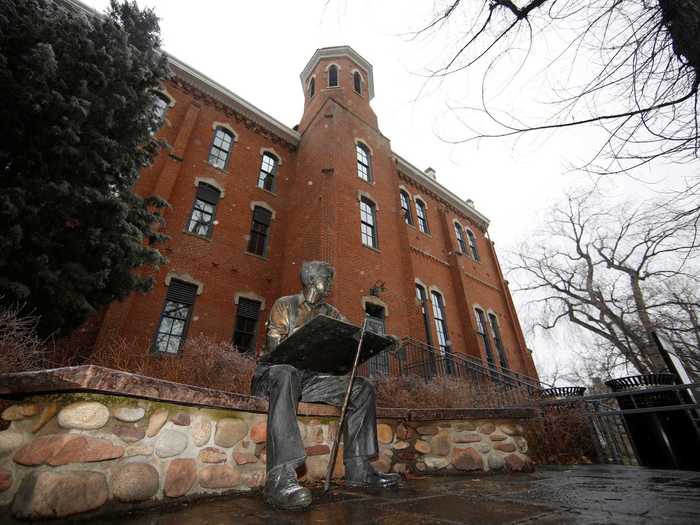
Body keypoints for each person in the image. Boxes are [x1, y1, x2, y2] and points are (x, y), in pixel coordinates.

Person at [252, 260, 400, 510]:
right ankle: (279, 478)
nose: (330, 284)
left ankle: (359, 467)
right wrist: (309, 343)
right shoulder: (285, 305)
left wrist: (384, 340)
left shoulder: (331, 313)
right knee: (287, 373)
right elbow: (275, 352)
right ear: (311, 280)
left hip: (310, 380)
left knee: (362, 388)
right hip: (274, 376)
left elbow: (354, 337)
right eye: (327, 278)